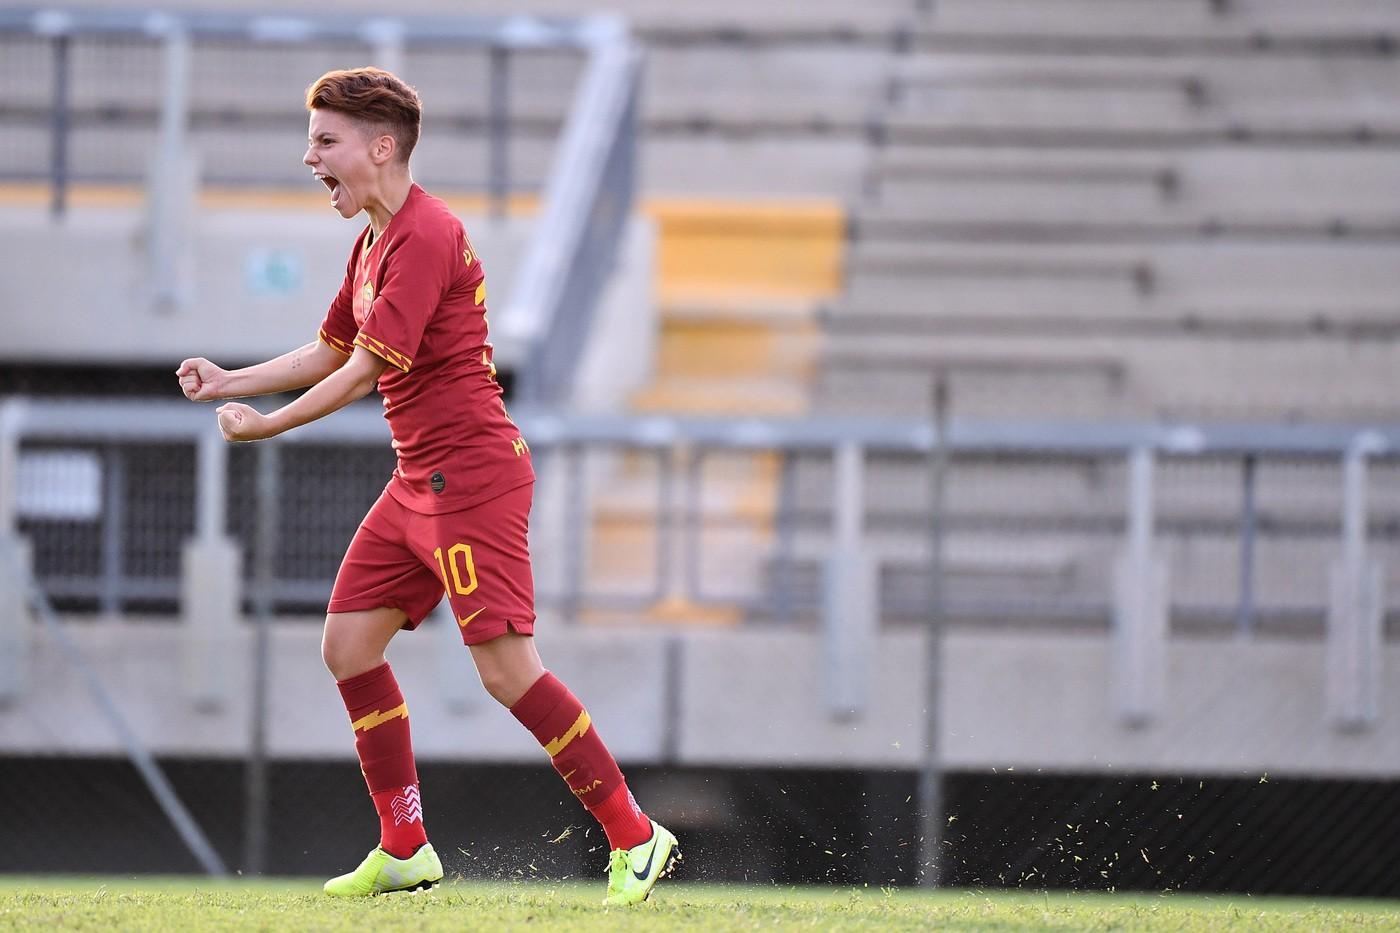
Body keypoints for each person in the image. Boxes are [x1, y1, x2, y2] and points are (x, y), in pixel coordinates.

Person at [175, 67, 677, 905]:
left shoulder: (428, 234)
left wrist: (266, 425)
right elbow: (330, 347)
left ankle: (637, 835)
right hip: (418, 481)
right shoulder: (372, 239)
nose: (311, 158)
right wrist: (232, 381)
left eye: (325, 142)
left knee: (507, 671)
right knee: (347, 645)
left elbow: (364, 371)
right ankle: (405, 845)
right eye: (313, 141)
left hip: (472, 481)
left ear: (381, 147)